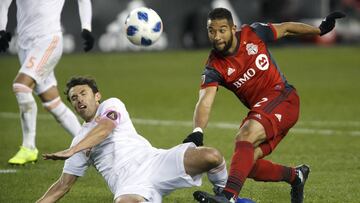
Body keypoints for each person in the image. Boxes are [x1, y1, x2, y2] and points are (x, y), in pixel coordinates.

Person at [182, 8, 345, 203]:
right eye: (211, 31)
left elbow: (286, 29)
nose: (216, 37)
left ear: (233, 29)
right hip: (265, 111)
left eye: (222, 30)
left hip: (284, 98)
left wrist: (318, 31)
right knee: (244, 165)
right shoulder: (214, 67)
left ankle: (228, 197)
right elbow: (205, 100)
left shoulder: (253, 33)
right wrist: (198, 130)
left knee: (245, 134)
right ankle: (296, 176)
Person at [36, 76, 228, 203]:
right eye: (74, 98)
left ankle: (225, 196)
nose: (78, 100)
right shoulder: (79, 141)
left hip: (155, 161)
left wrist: (73, 150)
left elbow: (105, 128)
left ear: (97, 96)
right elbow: (62, 186)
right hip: (129, 183)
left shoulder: (111, 105)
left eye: (83, 94)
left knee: (211, 156)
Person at [0, 0, 95, 165]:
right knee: (52, 103)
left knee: (21, 86)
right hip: (24, 44)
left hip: (48, 40)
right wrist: (1, 29)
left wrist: (86, 27)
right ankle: (89, 144)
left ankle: (29, 147)